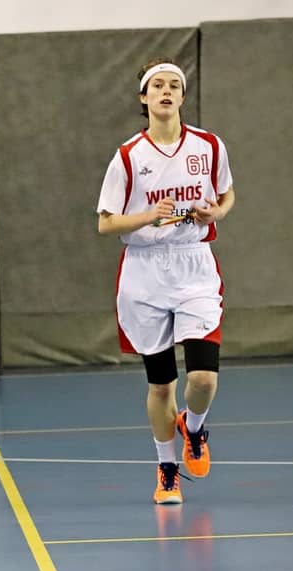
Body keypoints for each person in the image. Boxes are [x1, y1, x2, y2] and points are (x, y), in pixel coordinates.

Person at [96, 58, 235, 505]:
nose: (166, 91)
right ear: (144, 97)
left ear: (182, 95)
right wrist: (147, 216)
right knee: (161, 385)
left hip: (194, 265)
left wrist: (217, 212)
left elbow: (227, 193)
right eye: (157, 85)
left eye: (174, 84)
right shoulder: (128, 157)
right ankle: (167, 469)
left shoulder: (209, 146)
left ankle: (193, 428)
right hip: (145, 272)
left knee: (204, 379)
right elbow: (105, 223)